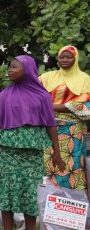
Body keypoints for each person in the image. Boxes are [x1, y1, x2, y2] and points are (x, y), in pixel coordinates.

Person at [0, 55, 64, 230]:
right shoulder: (5, 95)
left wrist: (57, 152)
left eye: (13, 67)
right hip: (10, 150)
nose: (9, 70)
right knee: (8, 191)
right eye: (9, 67)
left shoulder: (43, 96)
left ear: (27, 69)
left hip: (34, 151)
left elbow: (50, 124)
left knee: (30, 192)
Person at [39, 45, 90, 190]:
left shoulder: (85, 79)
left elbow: (86, 105)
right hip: (47, 129)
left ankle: (72, 206)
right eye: (62, 57)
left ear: (76, 58)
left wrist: (52, 106)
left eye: (69, 57)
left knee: (73, 167)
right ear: (57, 59)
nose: (65, 60)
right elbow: (32, 94)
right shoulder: (48, 77)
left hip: (73, 132)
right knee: (48, 166)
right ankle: (48, 206)